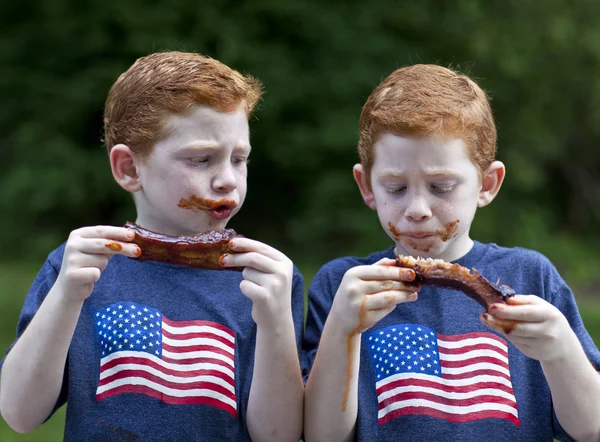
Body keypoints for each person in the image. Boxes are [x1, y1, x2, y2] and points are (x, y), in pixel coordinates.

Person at [0, 51, 304, 441]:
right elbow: (19, 414)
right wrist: (65, 296)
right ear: (129, 168)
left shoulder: (268, 280)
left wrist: (276, 319)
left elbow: (277, 435)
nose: (228, 179)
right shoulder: (79, 268)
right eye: (201, 159)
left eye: (239, 159)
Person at [302, 64, 600, 441]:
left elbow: (591, 428)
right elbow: (321, 436)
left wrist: (561, 352)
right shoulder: (343, 288)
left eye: (441, 187)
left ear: (487, 184)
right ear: (367, 186)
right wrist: (342, 329)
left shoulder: (530, 277)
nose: (417, 208)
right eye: (395, 188)